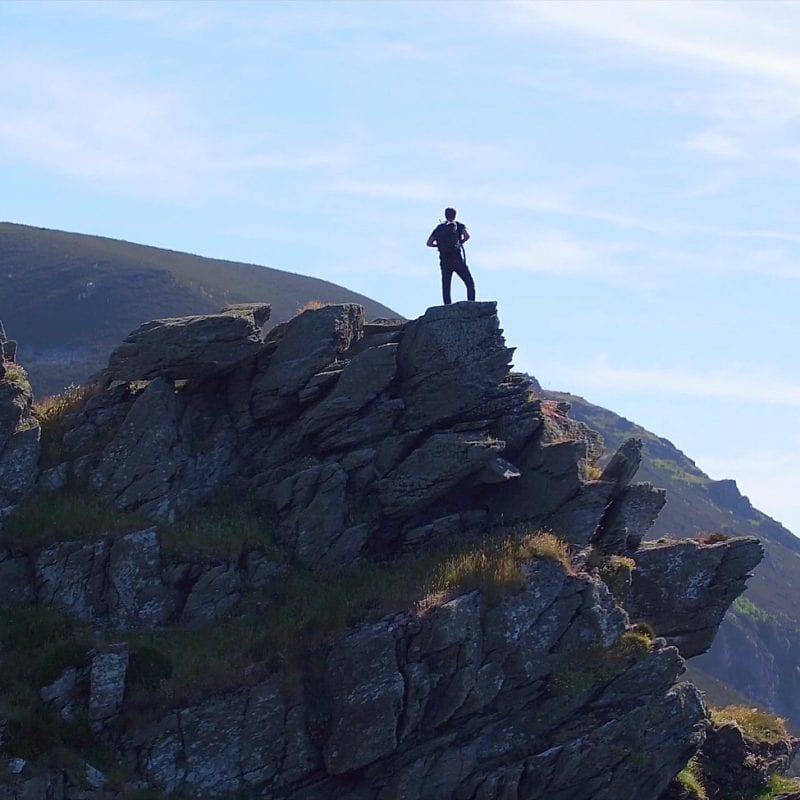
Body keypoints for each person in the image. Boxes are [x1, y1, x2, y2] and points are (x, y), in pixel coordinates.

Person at [427, 207, 475, 305]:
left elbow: (429, 243)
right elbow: (467, 236)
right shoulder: (458, 225)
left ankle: (447, 306)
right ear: (455, 215)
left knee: (446, 285)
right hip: (457, 259)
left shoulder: (439, 228)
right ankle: (471, 304)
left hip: (444, 260)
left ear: (445, 215)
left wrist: (439, 245)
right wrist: (461, 242)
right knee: (469, 283)